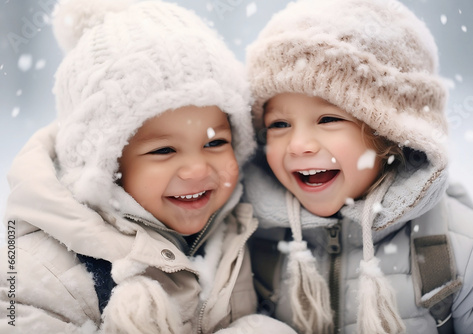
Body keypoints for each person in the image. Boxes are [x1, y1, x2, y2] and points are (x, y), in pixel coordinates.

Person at [0, 0, 296, 333]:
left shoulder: (242, 229)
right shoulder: (39, 274)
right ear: (106, 168)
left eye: (215, 143)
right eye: (164, 150)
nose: (197, 170)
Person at [242, 0, 473, 333]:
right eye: (279, 124)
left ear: (390, 134)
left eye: (328, 118)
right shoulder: (252, 236)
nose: (298, 144)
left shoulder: (460, 247)